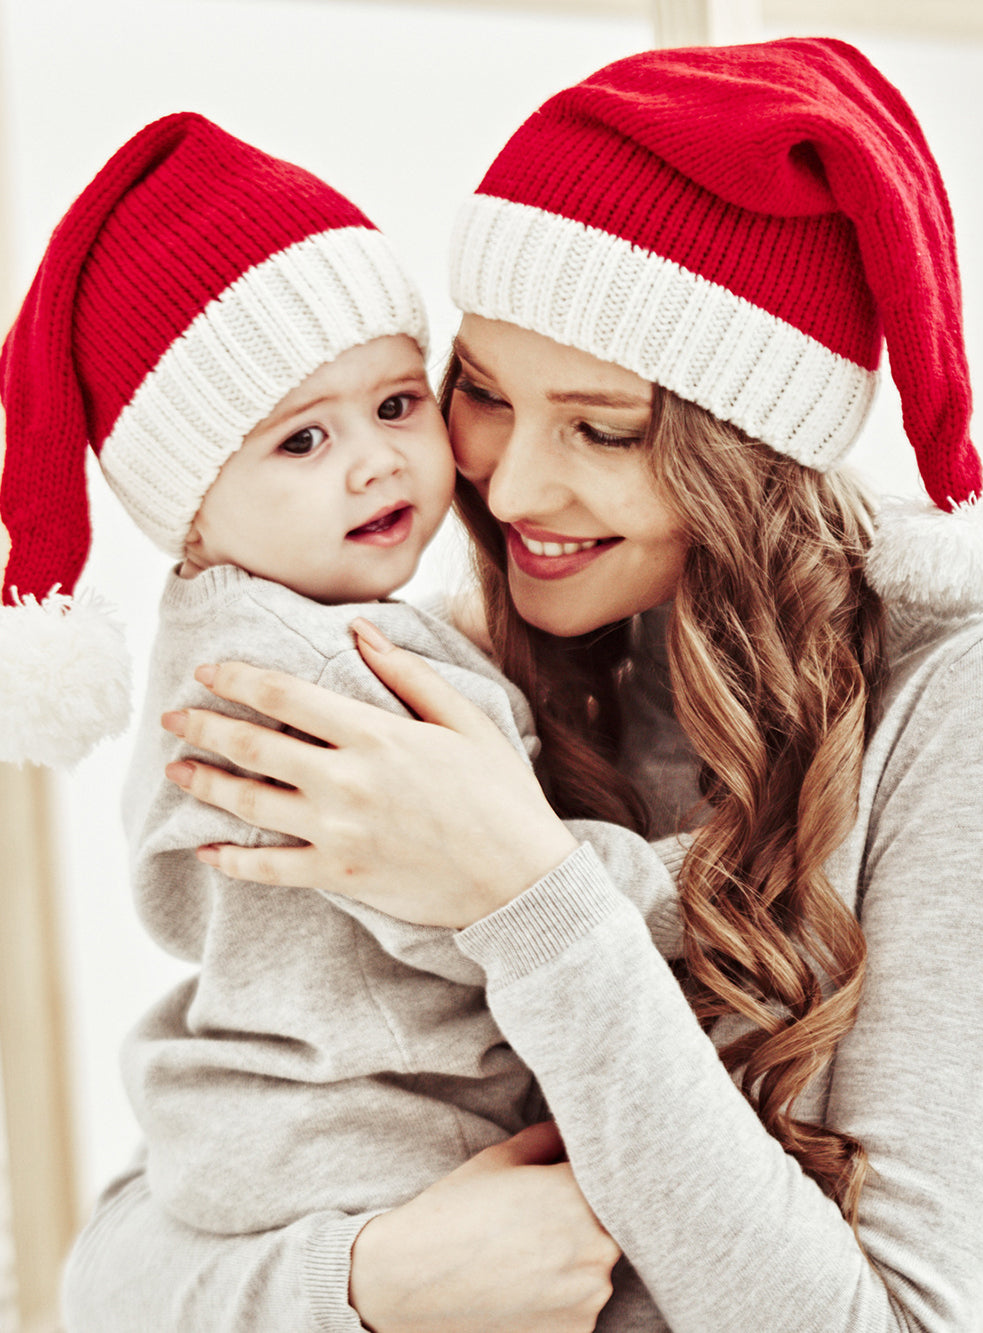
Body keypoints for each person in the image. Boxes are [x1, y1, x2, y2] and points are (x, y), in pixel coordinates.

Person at [61, 35, 983, 1333]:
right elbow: (113, 1270)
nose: (505, 490)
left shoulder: (954, 709)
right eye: (482, 395)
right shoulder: (447, 669)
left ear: (751, 451)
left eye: (602, 428)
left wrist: (532, 895)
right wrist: (366, 1283)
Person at [0, 112, 684, 1327]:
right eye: (304, 439)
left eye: (396, 404)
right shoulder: (300, 671)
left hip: (287, 1123)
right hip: (363, 1132)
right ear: (192, 513)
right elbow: (467, 891)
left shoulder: (276, 621)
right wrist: (694, 888)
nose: (375, 463)